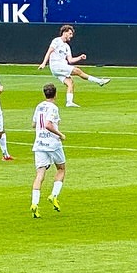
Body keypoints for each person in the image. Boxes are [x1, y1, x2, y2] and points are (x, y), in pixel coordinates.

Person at [38, 24, 111, 108]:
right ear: (64, 33)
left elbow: (70, 60)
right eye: (70, 33)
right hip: (56, 65)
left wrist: (80, 57)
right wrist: (44, 63)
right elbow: (49, 51)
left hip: (61, 67)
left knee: (70, 82)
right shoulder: (56, 41)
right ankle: (99, 81)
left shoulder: (67, 47)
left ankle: (69, 102)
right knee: (77, 70)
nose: (71, 36)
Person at [30, 83, 65, 218]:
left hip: (39, 143)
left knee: (40, 174)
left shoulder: (39, 106)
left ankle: (35, 204)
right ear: (55, 94)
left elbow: (34, 124)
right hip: (52, 143)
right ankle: (54, 195)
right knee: (61, 169)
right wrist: (60, 134)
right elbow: (48, 124)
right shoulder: (53, 108)